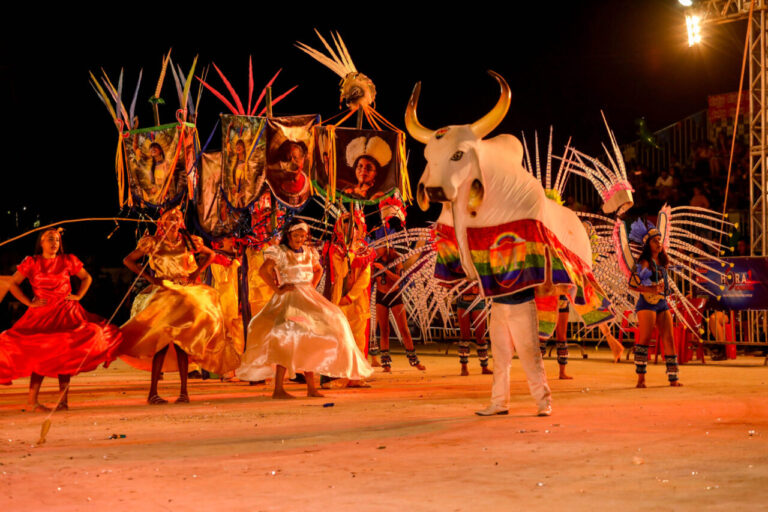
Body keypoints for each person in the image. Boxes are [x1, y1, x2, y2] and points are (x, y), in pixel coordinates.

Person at [236, 219, 372, 398]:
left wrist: (311, 287)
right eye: (296, 235)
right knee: (288, 336)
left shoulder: (309, 252)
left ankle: (311, 387)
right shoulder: (280, 252)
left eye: (302, 235)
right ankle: (278, 389)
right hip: (289, 299)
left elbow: (318, 270)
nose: (300, 239)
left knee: (324, 328)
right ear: (288, 235)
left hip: (307, 297)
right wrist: (278, 288)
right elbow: (263, 271)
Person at [120, 208, 241, 404]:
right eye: (170, 219)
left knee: (182, 344)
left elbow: (209, 255)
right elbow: (128, 260)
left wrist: (196, 273)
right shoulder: (153, 243)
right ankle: (153, 393)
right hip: (164, 293)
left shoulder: (189, 241)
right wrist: (150, 277)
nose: (174, 221)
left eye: (177, 219)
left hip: (185, 291)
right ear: (163, 223)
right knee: (160, 343)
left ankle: (184, 392)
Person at [0, 228, 121, 411]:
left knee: (68, 352)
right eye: (50, 239)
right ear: (41, 242)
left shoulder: (67, 260)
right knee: (40, 354)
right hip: (41, 315)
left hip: (67, 313)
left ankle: (63, 401)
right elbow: (12, 283)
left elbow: (86, 278)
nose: (54, 242)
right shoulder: (32, 262)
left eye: (57, 239)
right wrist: (28, 302)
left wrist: (78, 295)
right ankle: (32, 401)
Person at [628, 221, 682, 388]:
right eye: (654, 240)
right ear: (647, 244)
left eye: (660, 239)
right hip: (646, 304)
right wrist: (651, 289)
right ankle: (641, 379)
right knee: (644, 338)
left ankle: (673, 378)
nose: (658, 243)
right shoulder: (644, 262)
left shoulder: (663, 260)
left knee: (669, 339)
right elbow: (632, 284)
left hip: (661, 303)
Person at [372, 214, 426, 372]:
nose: (376, 248)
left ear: (387, 246)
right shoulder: (375, 260)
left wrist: (384, 270)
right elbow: (372, 280)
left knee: (404, 329)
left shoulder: (396, 258)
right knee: (384, 330)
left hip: (395, 295)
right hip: (381, 297)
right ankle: (386, 363)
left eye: (379, 246)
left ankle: (414, 361)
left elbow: (399, 279)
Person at [456, 286, 492, 376]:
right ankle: (464, 367)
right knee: (465, 336)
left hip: (478, 301)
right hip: (463, 301)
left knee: (480, 336)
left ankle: (484, 367)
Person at [342, 136, 391, 201]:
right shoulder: (347, 189)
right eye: (360, 166)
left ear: (375, 173)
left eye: (369, 168)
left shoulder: (378, 195)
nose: (363, 170)